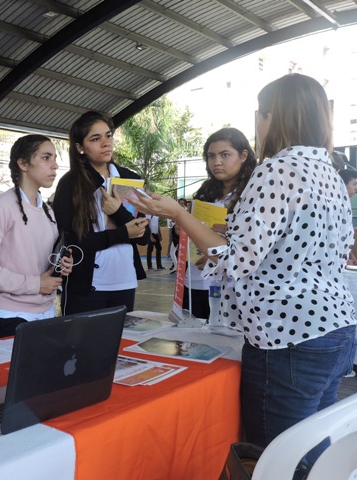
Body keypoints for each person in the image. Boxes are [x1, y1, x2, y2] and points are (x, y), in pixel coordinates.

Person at [131, 73, 357, 461]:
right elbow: (304, 246)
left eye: (260, 113)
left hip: (286, 335)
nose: (257, 122)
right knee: (314, 453)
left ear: (273, 116)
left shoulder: (276, 170)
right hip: (334, 325)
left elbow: (238, 259)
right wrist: (224, 230)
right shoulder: (329, 174)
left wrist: (178, 214)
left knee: (276, 458)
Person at [0, 135, 72, 340]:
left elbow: (41, 264)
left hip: (45, 312)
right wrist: (35, 284)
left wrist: (61, 266)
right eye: (46, 158)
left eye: (54, 158)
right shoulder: (0, 207)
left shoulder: (47, 211)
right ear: (23, 164)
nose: (55, 165)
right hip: (8, 316)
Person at [52, 111, 149, 315]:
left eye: (108, 135)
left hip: (124, 282)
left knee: (118, 336)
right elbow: (75, 242)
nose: (106, 143)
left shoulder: (129, 179)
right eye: (95, 139)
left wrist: (118, 212)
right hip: (85, 286)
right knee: (80, 337)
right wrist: (123, 233)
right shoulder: (70, 184)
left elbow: (144, 236)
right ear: (80, 147)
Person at [183, 127, 257, 319]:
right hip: (196, 280)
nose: (216, 162)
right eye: (211, 156)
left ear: (243, 156)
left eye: (225, 155)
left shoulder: (254, 192)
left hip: (232, 286)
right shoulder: (206, 190)